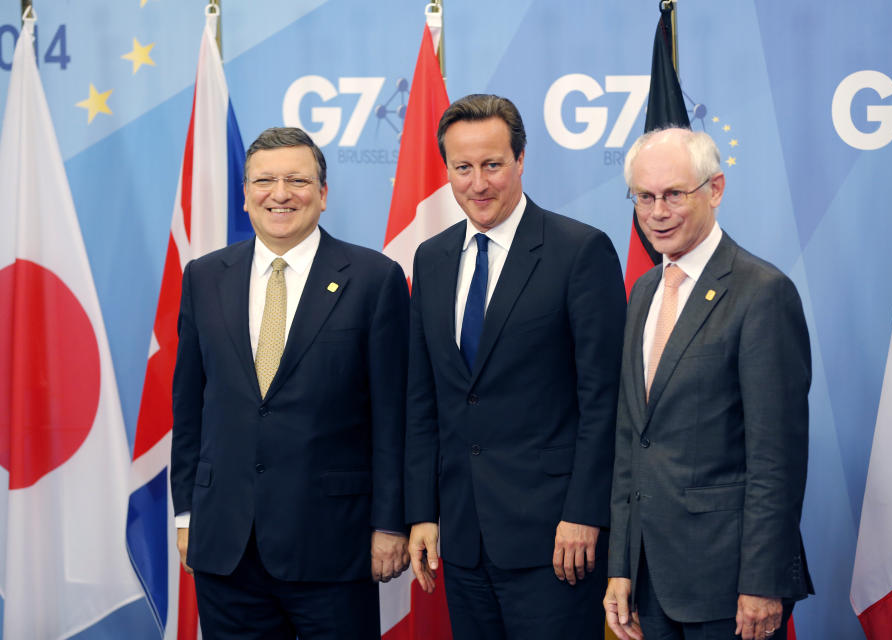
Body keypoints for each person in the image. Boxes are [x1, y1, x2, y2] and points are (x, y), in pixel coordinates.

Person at [170, 127, 409, 639]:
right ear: (246, 194)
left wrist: (390, 524)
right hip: (226, 546)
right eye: (265, 181)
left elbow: (394, 416)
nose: (280, 194)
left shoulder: (373, 278)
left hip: (333, 546)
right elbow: (189, 407)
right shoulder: (204, 277)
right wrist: (186, 515)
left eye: (298, 180)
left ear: (323, 195)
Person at [404, 94, 626, 639]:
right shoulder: (430, 259)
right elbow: (423, 398)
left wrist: (584, 513)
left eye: (492, 165)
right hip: (461, 537)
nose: (478, 183)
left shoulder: (580, 251)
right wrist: (423, 512)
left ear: (520, 161)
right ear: (448, 170)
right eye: (463, 168)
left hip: (556, 537)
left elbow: (605, 400)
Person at [605, 127, 813, 640]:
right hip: (651, 579)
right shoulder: (644, 291)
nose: (657, 212)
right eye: (645, 197)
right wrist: (621, 566)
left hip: (731, 584)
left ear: (715, 189)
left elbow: (775, 459)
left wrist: (763, 581)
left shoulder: (762, 293)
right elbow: (634, 440)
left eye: (674, 194)